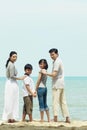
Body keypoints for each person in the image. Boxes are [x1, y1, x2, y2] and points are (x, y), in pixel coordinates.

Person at [42, 48, 70, 123]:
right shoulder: (57, 61)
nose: (51, 56)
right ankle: (67, 118)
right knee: (63, 101)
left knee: (55, 102)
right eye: (50, 55)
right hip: (61, 83)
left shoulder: (57, 62)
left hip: (57, 84)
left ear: (57, 54)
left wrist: (45, 73)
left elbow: (54, 74)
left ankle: (55, 118)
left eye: (53, 54)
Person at [2, 51, 25, 123]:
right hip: (11, 83)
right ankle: (11, 117)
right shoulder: (11, 65)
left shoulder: (10, 64)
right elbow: (12, 76)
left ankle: (10, 117)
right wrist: (20, 78)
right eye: (13, 57)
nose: (15, 58)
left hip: (10, 83)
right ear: (10, 57)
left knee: (10, 100)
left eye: (16, 57)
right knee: (12, 100)